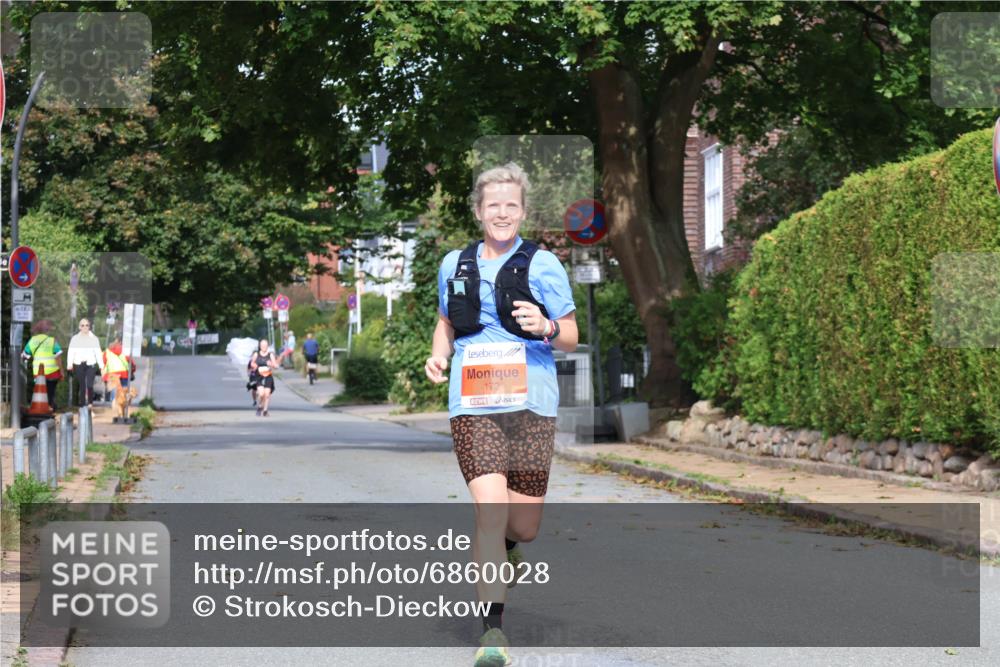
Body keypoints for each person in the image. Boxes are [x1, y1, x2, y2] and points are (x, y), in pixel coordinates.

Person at [425, 163, 578, 667]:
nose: (503, 213)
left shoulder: (544, 264)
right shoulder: (455, 263)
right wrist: (439, 354)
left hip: (532, 402)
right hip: (474, 405)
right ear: (478, 211)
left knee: (524, 526)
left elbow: (573, 335)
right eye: (494, 206)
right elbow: (445, 323)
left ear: (523, 212)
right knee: (489, 510)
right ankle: (493, 633)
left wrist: (548, 324)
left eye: (512, 206)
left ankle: (512, 546)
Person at [21, 319, 63, 409]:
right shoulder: (52, 341)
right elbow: (58, 357)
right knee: (50, 393)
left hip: (38, 373)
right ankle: (50, 410)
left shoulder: (33, 340)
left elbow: (24, 356)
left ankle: (41, 410)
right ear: (47, 330)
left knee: (40, 392)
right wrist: (61, 371)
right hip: (53, 373)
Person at [67, 318, 104, 406]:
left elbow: (98, 353)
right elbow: (71, 352)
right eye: (82, 325)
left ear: (89, 327)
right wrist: (69, 364)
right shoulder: (75, 339)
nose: (85, 327)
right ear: (80, 327)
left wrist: (101, 366)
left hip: (91, 363)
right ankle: (82, 406)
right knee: (82, 386)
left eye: (87, 325)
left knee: (90, 385)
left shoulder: (94, 339)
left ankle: (90, 405)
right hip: (79, 364)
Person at [249, 339, 278, 417]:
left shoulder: (270, 355)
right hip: (259, 376)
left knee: (267, 394)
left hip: (268, 376)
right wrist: (253, 365)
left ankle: (265, 410)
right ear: (260, 346)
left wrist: (271, 364)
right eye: (262, 346)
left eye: (265, 346)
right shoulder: (256, 354)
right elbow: (251, 363)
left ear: (267, 346)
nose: (263, 347)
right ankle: (259, 407)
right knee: (261, 394)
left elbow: (276, 366)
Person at [101, 338, 135, 404]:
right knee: (125, 392)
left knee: (115, 394)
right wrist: (132, 371)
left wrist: (104, 376)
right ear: (121, 342)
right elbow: (131, 362)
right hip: (124, 374)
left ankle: (115, 409)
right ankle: (124, 409)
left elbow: (103, 363)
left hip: (113, 376)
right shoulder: (125, 351)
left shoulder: (107, 351)